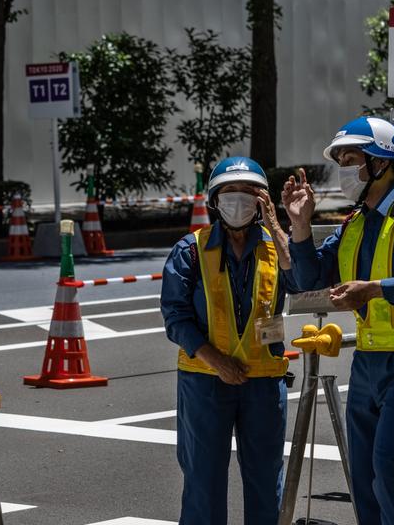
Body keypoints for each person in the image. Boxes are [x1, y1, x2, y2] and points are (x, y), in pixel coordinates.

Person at [282, 116, 394, 525]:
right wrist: (301, 226)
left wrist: (375, 288)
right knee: (363, 476)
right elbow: (309, 280)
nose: (343, 167)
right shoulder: (354, 223)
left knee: (391, 468)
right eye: (340, 158)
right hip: (367, 363)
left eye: (351, 157)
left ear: (382, 161)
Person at [160, 156, 299, 525]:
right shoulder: (190, 251)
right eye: (229, 192)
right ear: (214, 200)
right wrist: (215, 360)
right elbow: (175, 318)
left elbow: (301, 282)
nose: (238, 200)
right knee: (203, 484)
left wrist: (277, 227)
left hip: (264, 383)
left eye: (248, 193)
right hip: (205, 380)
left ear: (262, 202)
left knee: (267, 484)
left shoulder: (275, 248)